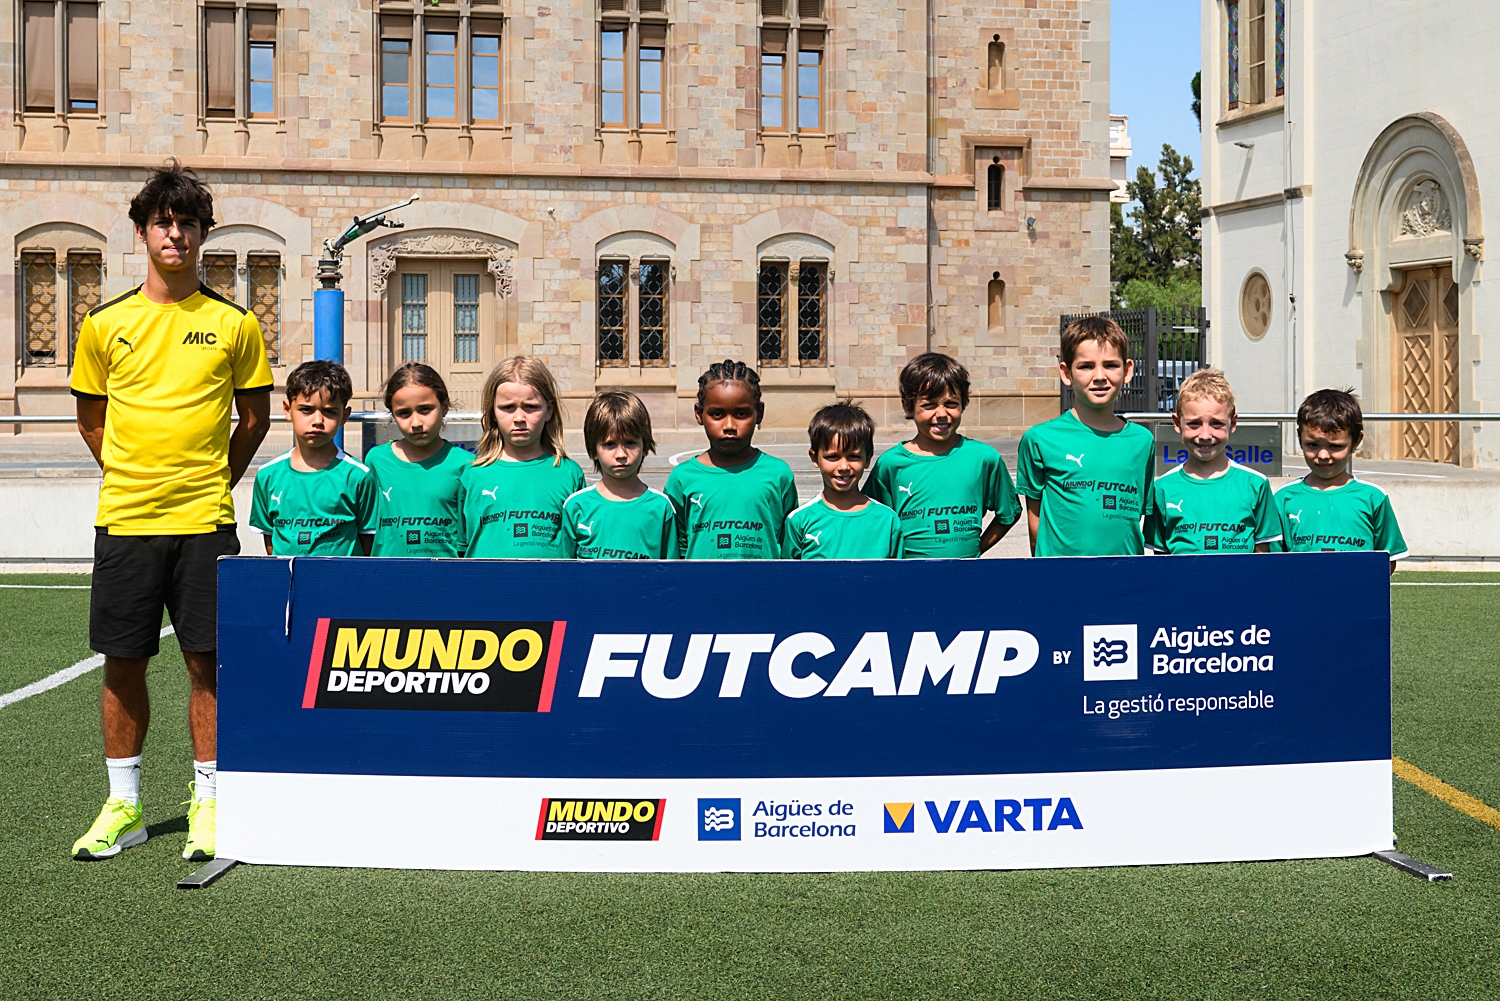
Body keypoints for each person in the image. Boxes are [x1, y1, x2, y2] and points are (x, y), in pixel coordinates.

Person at [68, 160, 272, 863]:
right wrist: (134, 476)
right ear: (142, 233)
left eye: (188, 223)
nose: (175, 233)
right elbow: (92, 421)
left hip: (204, 522)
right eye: (163, 222)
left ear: (204, 234)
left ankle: (208, 804)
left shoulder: (236, 323)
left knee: (207, 665)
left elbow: (254, 420)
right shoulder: (103, 324)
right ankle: (123, 805)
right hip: (126, 522)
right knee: (123, 664)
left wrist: (212, 479)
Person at [1016, 315, 1155, 557]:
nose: (1099, 376)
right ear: (1066, 373)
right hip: (1063, 575)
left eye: (1110, 365)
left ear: (1127, 370)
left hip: (1126, 574)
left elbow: (1136, 517)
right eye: (1086, 366)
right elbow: (1035, 523)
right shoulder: (1040, 439)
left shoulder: (1142, 441)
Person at [864, 353, 1020, 558]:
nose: (941, 414)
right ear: (907, 406)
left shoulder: (984, 458)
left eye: (951, 404)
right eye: (929, 405)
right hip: (909, 575)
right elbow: (870, 520)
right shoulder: (890, 464)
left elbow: (1009, 513)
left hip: (966, 574)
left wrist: (975, 552)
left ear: (963, 403)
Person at [664, 359, 798, 559]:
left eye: (741, 414)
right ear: (699, 414)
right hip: (701, 580)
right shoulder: (682, 478)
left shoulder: (778, 475)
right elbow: (677, 550)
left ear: (759, 413)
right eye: (717, 414)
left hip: (763, 580)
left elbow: (789, 547)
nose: (729, 426)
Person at [458, 356, 585, 558]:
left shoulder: (568, 473)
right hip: (485, 579)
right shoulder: (472, 475)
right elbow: (459, 550)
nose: (519, 418)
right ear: (492, 413)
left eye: (530, 407)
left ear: (549, 410)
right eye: (508, 407)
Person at [1143, 369, 1280, 555]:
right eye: (1194, 424)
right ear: (1177, 423)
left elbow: (1262, 559)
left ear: (1232, 423)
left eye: (1216, 424)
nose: (1205, 435)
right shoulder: (1162, 489)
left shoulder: (1255, 485)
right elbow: (1162, 563)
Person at [249, 361, 377, 556]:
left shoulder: (358, 476)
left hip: (342, 576)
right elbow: (271, 540)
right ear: (287, 409)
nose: (318, 421)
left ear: (344, 416)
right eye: (306, 410)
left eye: (329, 411)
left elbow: (367, 543)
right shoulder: (267, 475)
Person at [1272, 388, 1408, 570]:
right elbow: (1273, 562)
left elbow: (1387, 561)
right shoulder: (1284, 498)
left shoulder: (1373, 497)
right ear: (1299, 437)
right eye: (1312, 444)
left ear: (1356, 441)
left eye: (1335, 446)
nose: (1323, 455)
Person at [365, 362, 473, 557]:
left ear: (444, 407)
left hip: (443, 573)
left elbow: (466, 540)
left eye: (425, 410)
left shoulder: (466, 464)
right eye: (404, 413)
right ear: (393, 414)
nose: (416, 423)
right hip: (386, 573)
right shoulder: (376, 460)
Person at [560, 391, 678, 560]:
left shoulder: (661, 507)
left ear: (645, 447)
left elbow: (670, 571)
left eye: (630, 443)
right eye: (609, 444)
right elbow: (564, 570)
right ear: (594, 451)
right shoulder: (576, 506)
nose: (621, 454)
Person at [784, 401, 903, 560]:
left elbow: (898, 574)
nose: (844, 467)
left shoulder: (888, 520)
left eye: (854, 456)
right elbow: (789, 574)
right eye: (832, 457)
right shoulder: (799, 520)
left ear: (868, 458)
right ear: (814, 457)